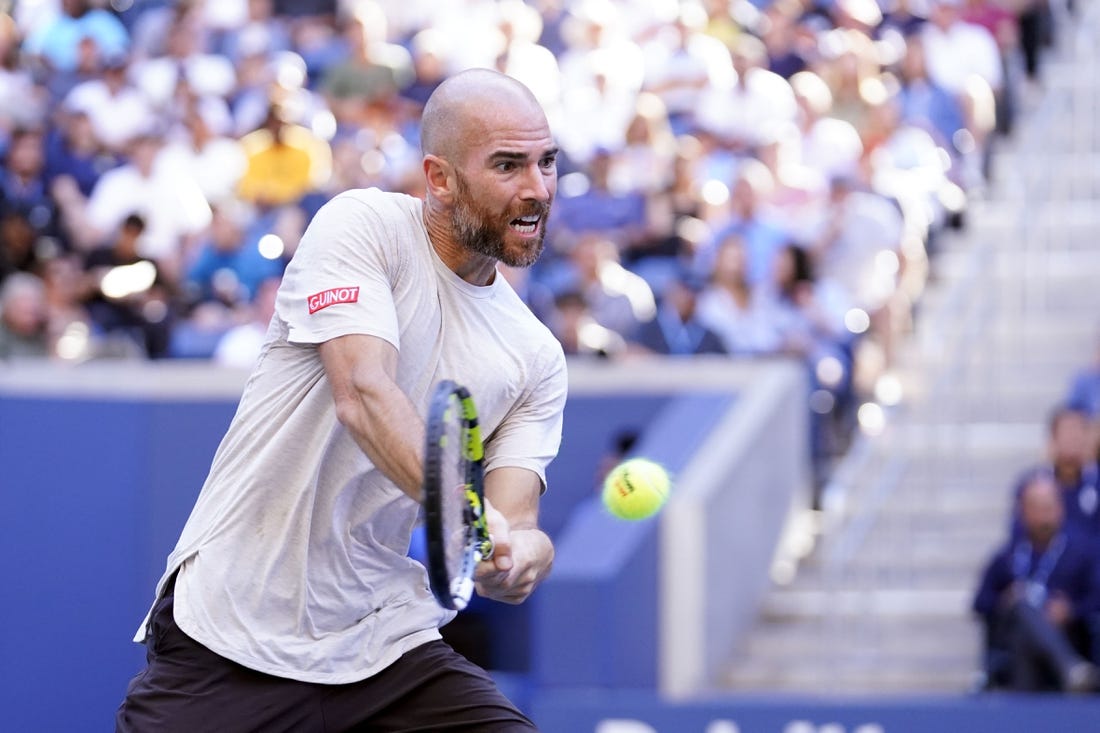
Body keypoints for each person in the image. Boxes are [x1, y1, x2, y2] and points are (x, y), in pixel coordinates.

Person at [116, 68, 566, 732]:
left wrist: (525, 553)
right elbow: (363, 394)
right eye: (508, 165)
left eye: (547, 162)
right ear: (440, 178)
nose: (536, 189)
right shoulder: (362, 226)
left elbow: (513, 522)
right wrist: (470, 516)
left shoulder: (536, 357)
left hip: (387, 647)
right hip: (230, 632)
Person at [973, 470, 1100, 693]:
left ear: (1060, 509)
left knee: (1030, 622)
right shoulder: (1007, 557)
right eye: (1036, 508)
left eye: (1048, 507)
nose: (1043, 516)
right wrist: (1005, 600)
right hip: (1016, 650)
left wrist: (1070, 611)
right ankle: (1071, 670)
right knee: (1023, 608)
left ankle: (1067, 669)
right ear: (1023, 512)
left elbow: (1095, 600)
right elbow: (980, 603)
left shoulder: (1082, 554)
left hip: (1068, 636)